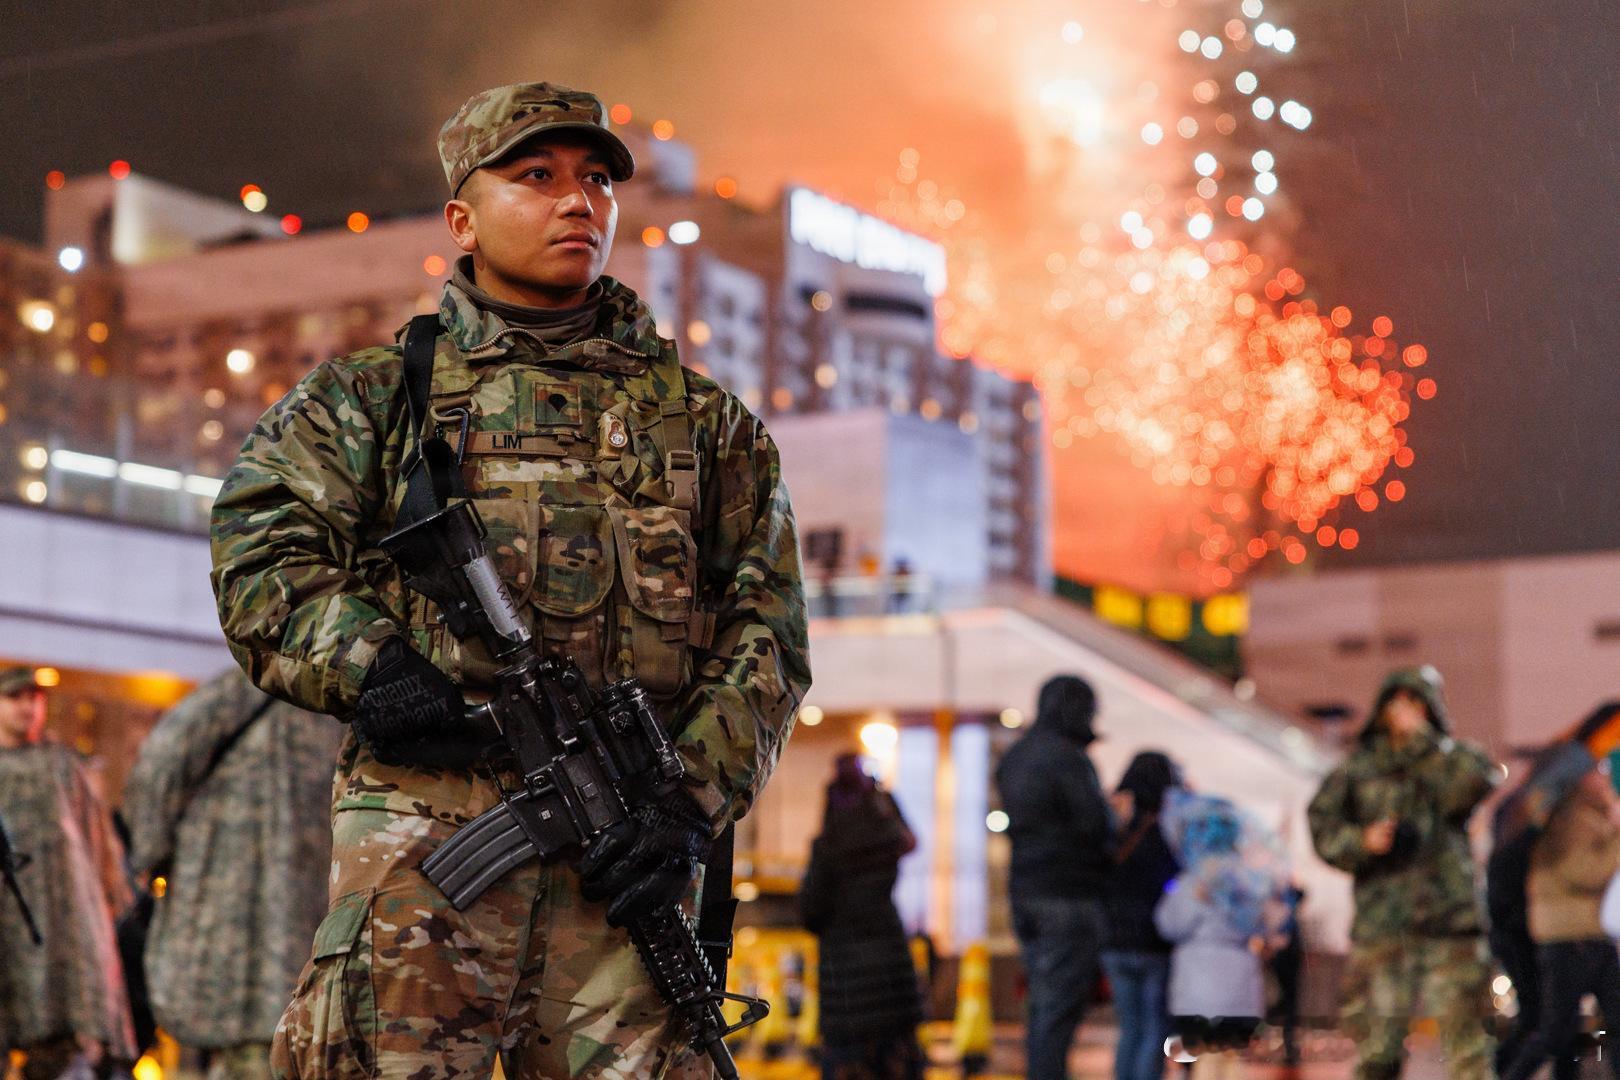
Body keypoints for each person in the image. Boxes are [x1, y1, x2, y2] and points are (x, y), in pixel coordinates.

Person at [210, 81, 810, 1080]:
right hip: (426, 866)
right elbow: (261, 551)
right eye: (536, 176)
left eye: (597, 180)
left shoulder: (709, 428)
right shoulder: (374, 398)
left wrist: (687, 805)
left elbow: (769, 634)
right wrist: (371, 663)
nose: (579, 201)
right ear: (463, 219)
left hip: (623, 873)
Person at [122, 667, 342, 1080]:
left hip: (220, 925)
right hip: (307, 937)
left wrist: (153, 852)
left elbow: (159, 765)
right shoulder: (341, 706)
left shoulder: (233, 694)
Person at [1307, 666, 1498, 1080]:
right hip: (1383, 926)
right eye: (1398, 701)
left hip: (1450, 924)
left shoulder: (1453, 758)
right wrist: (1363, 841)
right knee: (1377, 1051)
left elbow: (1473, 784)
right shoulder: (1359, 768)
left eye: (1417, 702)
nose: (1406, 711)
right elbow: (1323, 825)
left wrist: (1424, 744)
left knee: (1468, 1050)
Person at [0, 666, 137, 1080]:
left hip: (62, 928)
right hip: (8, 923)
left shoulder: (62, 765)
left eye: (34, 697)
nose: (27, 706)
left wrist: (109, 901)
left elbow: (99, 843)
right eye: (15, 697)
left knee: (61, 1043)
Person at [994, 674, 1116, 1080]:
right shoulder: (1067, 757)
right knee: (1059, 1006)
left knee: (1043, 1002)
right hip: (1068, 893)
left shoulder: (1016, 756)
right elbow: (1095, 824)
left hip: (1025, 889)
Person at [798, 754, 924, 1080]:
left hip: (846, 989)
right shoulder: (887, 840)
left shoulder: (829, 847)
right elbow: (909, 840)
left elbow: (810, 910)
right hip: (891, 975)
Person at [1499, 764, 1620, 1080]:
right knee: (1555, 1032)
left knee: (1603, 1022)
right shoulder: (1571, 818)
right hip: (1569, 939)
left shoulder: (1593, 814)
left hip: (1591, 935)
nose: (1605, 775)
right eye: (1598, 769)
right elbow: (1584, 871)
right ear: (1580, 775)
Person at [1156, 792, 1284, 1080]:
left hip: (1196, 989)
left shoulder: (1192, 882)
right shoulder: (1249, 881)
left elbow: (1168, 925)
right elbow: (1265, 922)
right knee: (1229, 1061)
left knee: (1200, 1060)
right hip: (1240, 987)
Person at [1101, 751, 1183, 1080]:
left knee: (1130, 1027)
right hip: (1153, 945)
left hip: (1114, 943)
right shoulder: (1166, 834)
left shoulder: (1114, 830)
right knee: (1153, 1027)